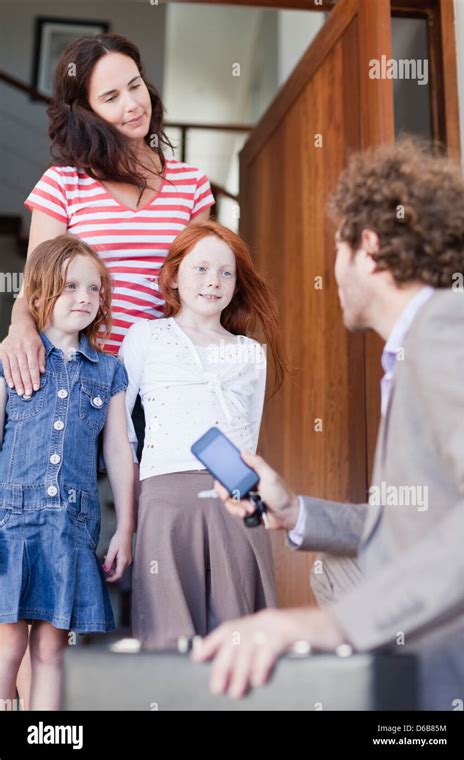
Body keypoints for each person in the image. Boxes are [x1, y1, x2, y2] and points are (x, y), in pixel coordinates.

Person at [191, 138, 464, 711]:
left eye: (337, 247)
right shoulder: (412, 349)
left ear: (368, 248)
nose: (334, 269)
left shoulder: (447, 330)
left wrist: (328, 628)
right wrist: (296, 512)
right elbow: (418, 520)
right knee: (335, 565)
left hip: (452, 655)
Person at [0, 30, 214, 705]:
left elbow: (202, 283)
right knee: (44, 533)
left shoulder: (189, 184)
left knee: (166, 520)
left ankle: (172, 674)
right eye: (111, 95)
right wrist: (15, 329)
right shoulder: (63, 183)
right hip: (76, 373)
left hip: (162, 381)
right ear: (88, 109)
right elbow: (37, 283)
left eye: (135, 86)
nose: (132, 105)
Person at [119, 220, 288, 648]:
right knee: (168, 632)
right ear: (173, 276)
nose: (213, 282)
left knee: (241, 633)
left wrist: (250, 501)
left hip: (237, 493)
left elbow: (249, 439)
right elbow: (120, 432)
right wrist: (127, 518)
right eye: (201, 269)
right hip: (164, 493)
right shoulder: (145, 337)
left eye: (226, 273)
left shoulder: (251, 353)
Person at [0, 234, 134, 710]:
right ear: (38, 294)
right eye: (70, 286)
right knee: (7, 647)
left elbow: (119, 453)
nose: (84, 298)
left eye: (95, 289)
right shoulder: (11, 360)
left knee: (52, 650)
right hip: (10, 527)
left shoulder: (110, 372)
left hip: (70, 530)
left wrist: (127, 529)